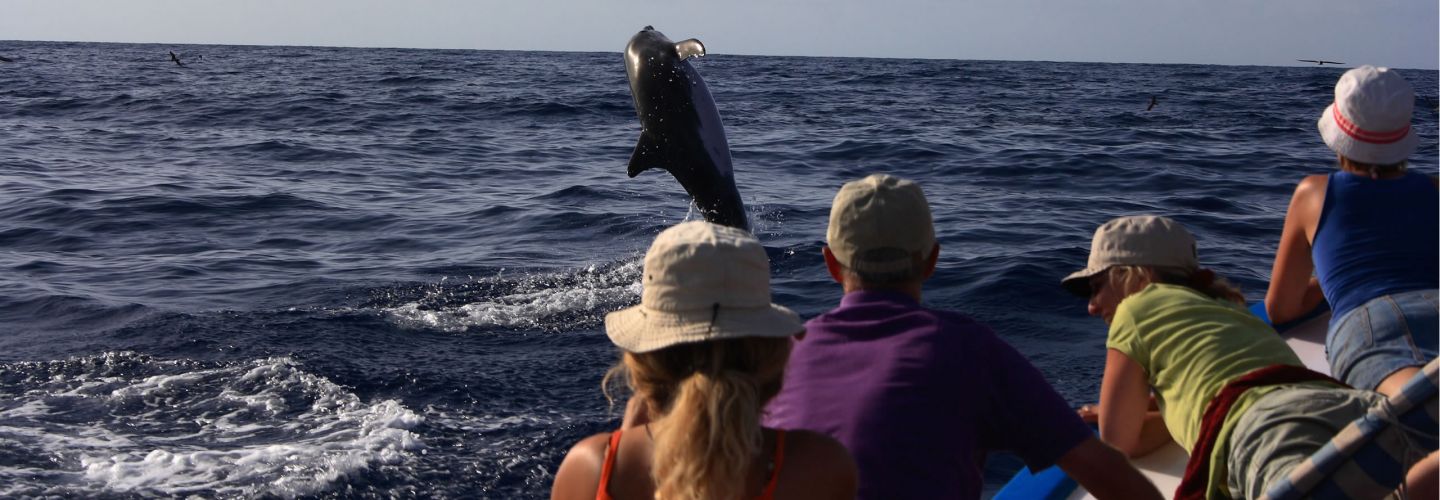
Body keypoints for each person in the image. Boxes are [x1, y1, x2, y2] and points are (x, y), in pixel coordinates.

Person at [763, 174, 1160, 499]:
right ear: (932, 260)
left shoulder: (778, 357)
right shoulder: (969, 351)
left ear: (831, 264)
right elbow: (1113, 479)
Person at [1064, 215, 1436, 499]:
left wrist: (1126, 413)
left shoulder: (1135, 309)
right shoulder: (1225, 305)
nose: (1093, 307)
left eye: (1097, 287)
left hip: (1268, 428)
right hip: (1344, 403)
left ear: (1133, 277)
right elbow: (1217, 382)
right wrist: (1161, 409)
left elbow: (1119, 443)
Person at [552, 221, 857, 500]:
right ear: (773, 355)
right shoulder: (822, 466)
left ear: (641, 362)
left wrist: (624, 444)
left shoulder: (591, 468)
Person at [1264, 65, 1438, 398]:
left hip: (1369, 320)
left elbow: (1282, 308)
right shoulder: (1435, 189)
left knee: (1417, 401)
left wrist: (1334, 282)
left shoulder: (1313, 193)